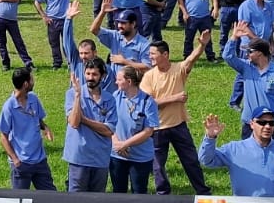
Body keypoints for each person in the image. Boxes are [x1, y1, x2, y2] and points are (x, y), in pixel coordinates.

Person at [140, 39, 210, 195]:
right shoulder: (149, 77)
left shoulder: (178, 69)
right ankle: (163, 194)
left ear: (165, 54)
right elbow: (148, 104)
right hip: (157, 128)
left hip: (178, 125)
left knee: (191, 161)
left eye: (153, 54)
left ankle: (203, 192)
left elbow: (192, 58)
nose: (150, 56)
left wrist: (202, 45)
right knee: (158, 166)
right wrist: (175, 98)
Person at [0, 67, 55, 190]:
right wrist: (15, 160)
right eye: (32, 79)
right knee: (19, 201)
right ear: (26, 84)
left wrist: (46, 128)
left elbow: (37, 118)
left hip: (40, 160)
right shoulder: (9, 107)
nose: (34, 81)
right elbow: (3, 137)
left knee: (50, 196)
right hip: (22, 163)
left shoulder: (33, 98)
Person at [64, 60, 115, 192]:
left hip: (100, 159)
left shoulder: (110, 99)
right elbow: (74, 122)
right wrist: (77, 96)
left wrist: (85, 120)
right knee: (76, 202)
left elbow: (108, 130)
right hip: (79, 158)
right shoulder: (71, 94)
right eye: (87, 74)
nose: (90, 78)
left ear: (103, 76)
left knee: (96, 201)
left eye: (94, 74)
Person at [108, 66, 158, 194]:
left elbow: (148, 131)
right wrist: (116, 143)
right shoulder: (115, 96)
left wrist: (125, 144)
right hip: (117, 154)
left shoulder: (148, 101)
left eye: (119, 80)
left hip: (140, 158)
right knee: (118, 192)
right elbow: (109, 123)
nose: (116, 82)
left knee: (139, 192)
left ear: (129, 82)